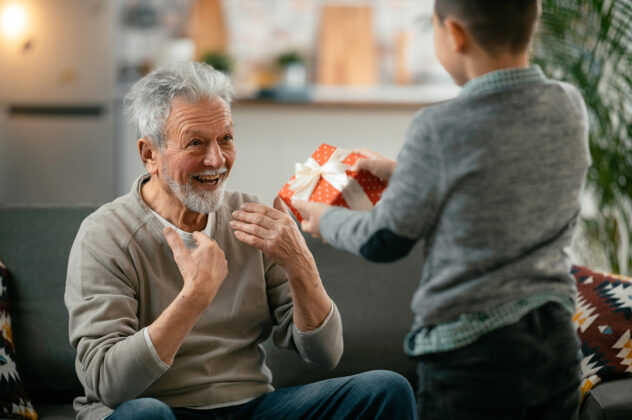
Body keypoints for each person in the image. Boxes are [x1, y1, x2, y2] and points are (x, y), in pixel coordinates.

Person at [64, 61, 416, 420]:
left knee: (385, 389)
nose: (216, 159)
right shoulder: (106, 234)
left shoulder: (251, 216)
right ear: (149, 155)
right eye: (196, 142)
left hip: (250, 408)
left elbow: (326, 355)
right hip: (161, 410)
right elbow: (107, 384)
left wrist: (300, 263)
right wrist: (194, 297)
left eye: (226, 139)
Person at [295, 1, 591, 419]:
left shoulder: (439, 127)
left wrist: (327, 220)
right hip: (556, 340)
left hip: (472, 357)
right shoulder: (568, 105)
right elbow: (504, 181)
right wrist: (406, 174)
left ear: (454, 34)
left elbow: (385, 239)